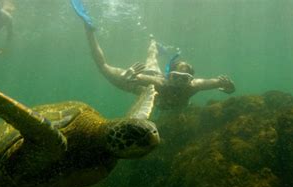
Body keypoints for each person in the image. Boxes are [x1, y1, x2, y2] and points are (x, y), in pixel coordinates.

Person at [71, 0, 235, 110]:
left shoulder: (196, 85)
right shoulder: (160, 83)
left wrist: (228, 86)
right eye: (175, 76)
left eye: (183, 78)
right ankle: (89, 28)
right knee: (104, 67)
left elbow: (225, 86)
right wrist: (128, 75)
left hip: (153, 76)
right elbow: (132, 79)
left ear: (190, 79)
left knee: (151, 60)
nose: (178, 82)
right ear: (168, 75)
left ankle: (154, 45)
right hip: (144, 84)